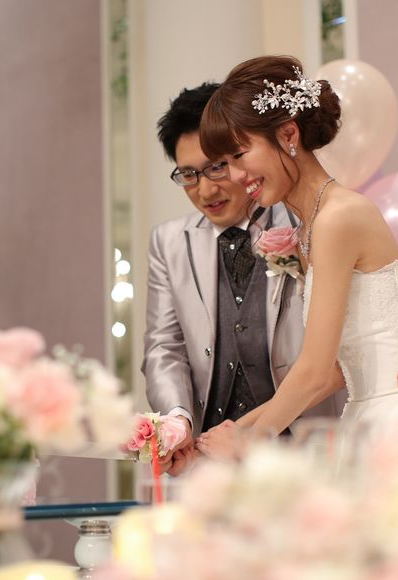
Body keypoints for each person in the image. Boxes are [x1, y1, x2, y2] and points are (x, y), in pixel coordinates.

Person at [196, 56, 398, 457]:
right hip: (368, 423)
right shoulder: (310, 229)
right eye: (224, 164)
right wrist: (227, 433)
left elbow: (315, 372)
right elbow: (337, 371)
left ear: (288, 134)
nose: (234, 176)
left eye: (240, 155)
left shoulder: (338, 218)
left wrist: (246, 444)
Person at [143, 82, 347, 474]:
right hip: (211, 459)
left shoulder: (309, 221)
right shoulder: (167, 242)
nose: (205, 189)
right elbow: (164, 347)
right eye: (189, 174)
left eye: (217, 166)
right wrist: (178, 420)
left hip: (308, 451)